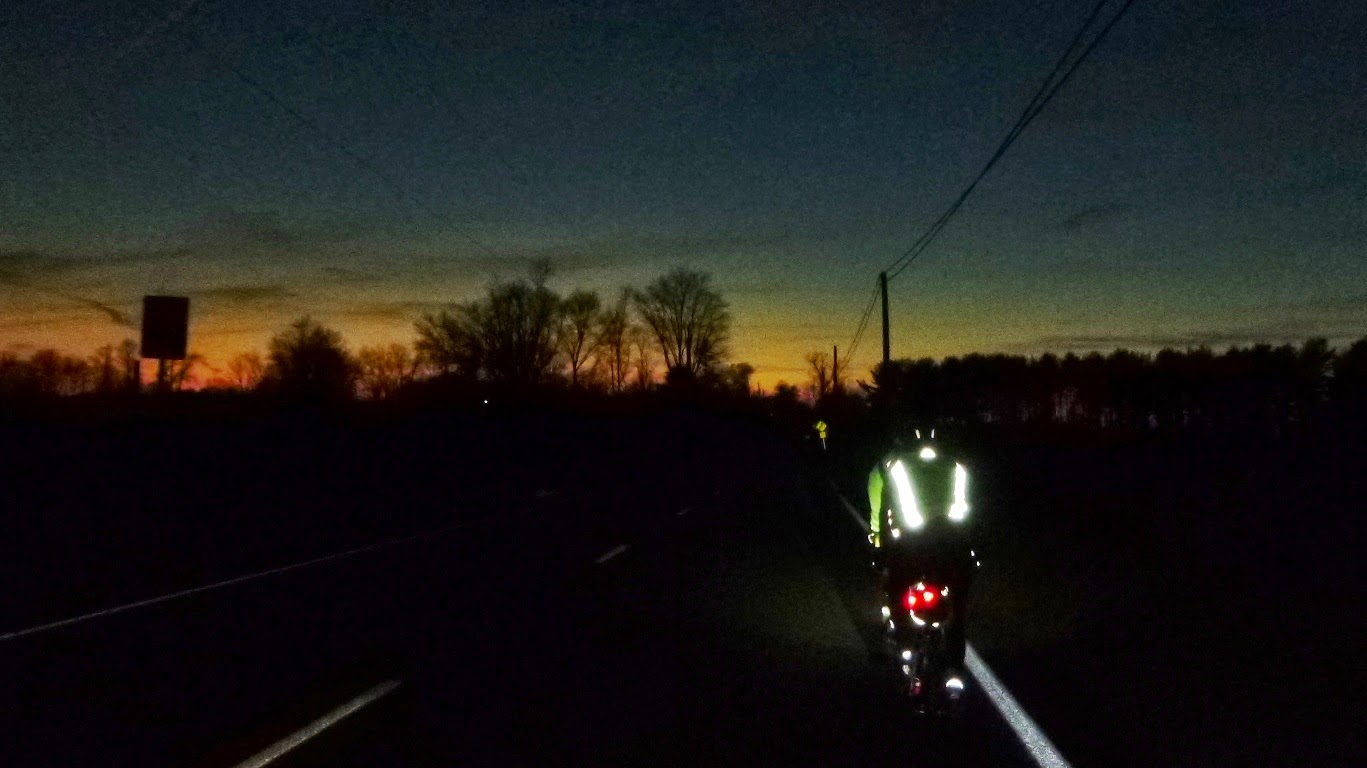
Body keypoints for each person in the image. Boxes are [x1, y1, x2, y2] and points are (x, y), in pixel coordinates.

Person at [867, 427, 977, 670]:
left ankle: (903, 641)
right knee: (958, 598)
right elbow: (973, 506)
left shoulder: (890, 466)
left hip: (911, 545)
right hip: (954, 543)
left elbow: (879, 510)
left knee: (896, 586)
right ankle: (955, 646)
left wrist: (878, 545)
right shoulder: (958, 465)